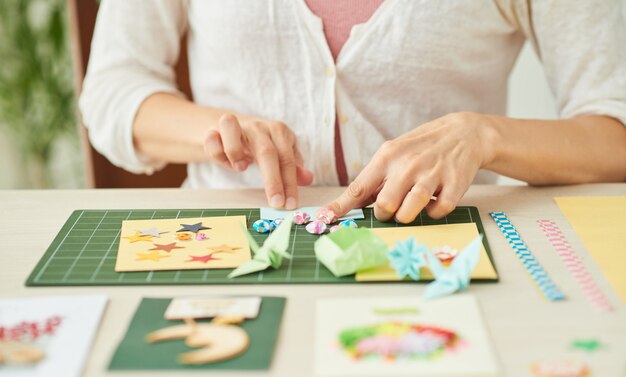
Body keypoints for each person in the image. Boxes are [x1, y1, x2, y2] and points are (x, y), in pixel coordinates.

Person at [80, 0, 626, 223]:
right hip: (222, 242)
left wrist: (482, 135)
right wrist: (216, 130)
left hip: (443, 246)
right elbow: (111, 91)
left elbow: (615, 130)